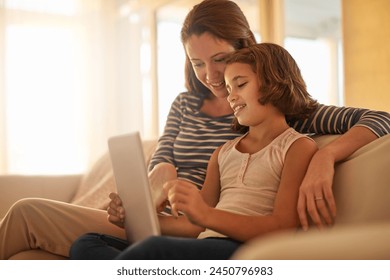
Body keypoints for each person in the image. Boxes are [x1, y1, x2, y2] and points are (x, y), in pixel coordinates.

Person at [0, 0, 389, 260]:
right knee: (39, 216)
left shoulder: (279, 112)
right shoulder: (186, 105)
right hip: (169, 220)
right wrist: (136, 206)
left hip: (203, 230)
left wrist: (325, 155)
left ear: (246, 47)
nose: (211, 76)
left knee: (26, 212)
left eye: (220, 60)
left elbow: (380, 119)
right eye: (198, 63)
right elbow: (162, 166)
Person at [69, 42, 319, 260]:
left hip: (243, 250)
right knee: (87, 242)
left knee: (153, 250)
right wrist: (134, 219)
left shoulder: (296, 146)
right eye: (229, 89)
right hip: (204, 244)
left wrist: (206, 215)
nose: (231, 97)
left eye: (240, 84)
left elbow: (282, 226)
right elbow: (193, 225)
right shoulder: (222, 153)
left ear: (274, 83)